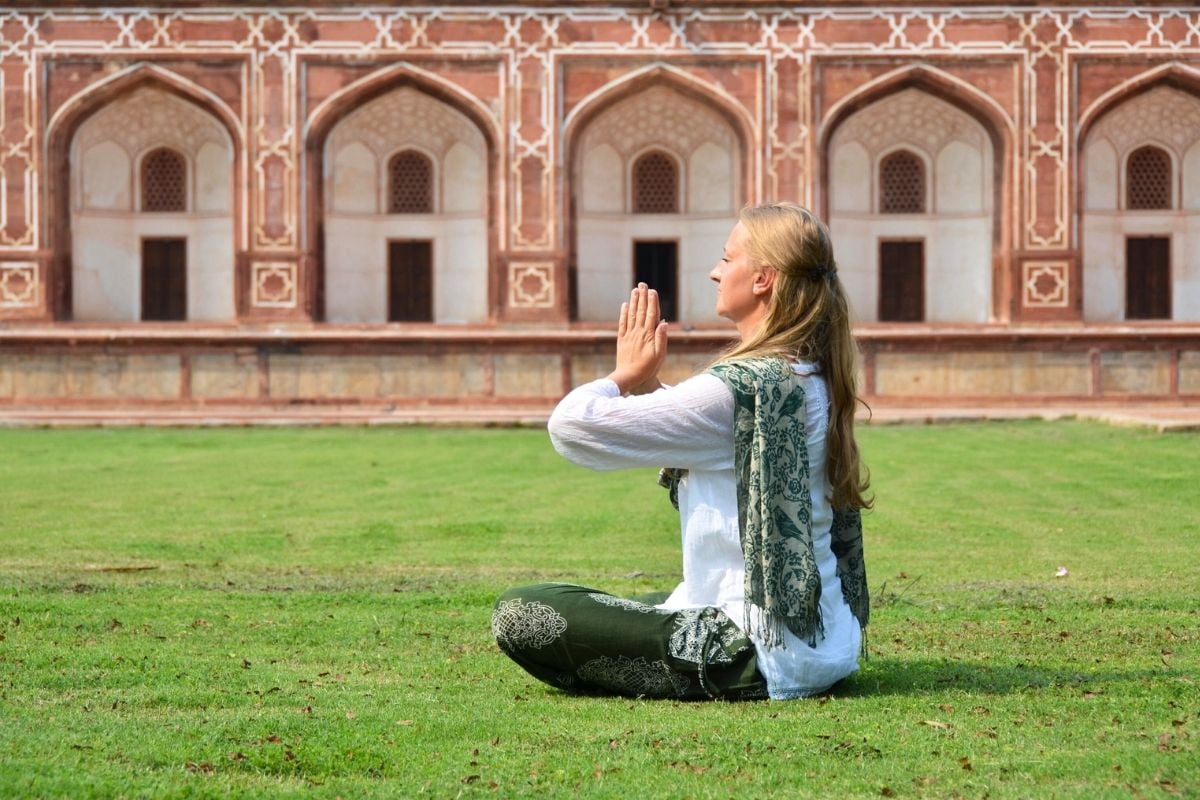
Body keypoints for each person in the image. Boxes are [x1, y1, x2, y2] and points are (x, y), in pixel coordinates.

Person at [491, 202, 871, 701]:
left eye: (727, 259)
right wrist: (651, 387)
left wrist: (623, 376)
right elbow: (700, 427)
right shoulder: (807, 376)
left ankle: (717, 672)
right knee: (645, 604)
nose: (716, 271)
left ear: (762, 279)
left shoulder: (738, 390)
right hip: (823, 640)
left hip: (750, 651)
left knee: (524, 612)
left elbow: (572, 428)